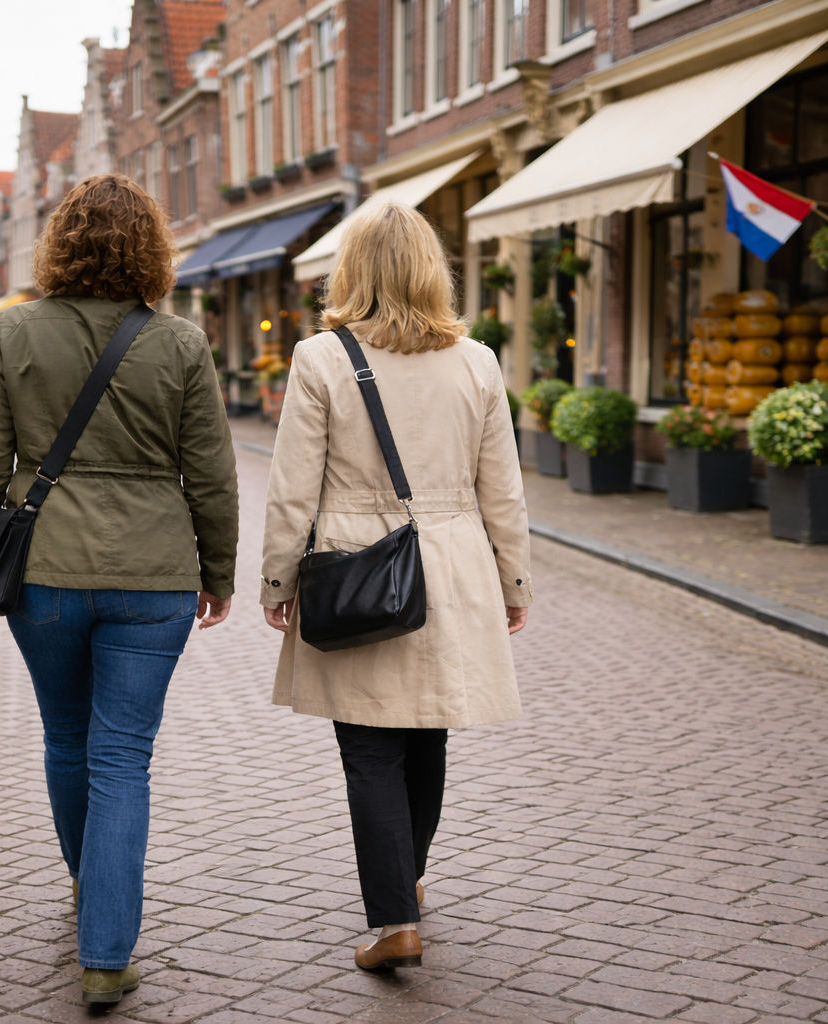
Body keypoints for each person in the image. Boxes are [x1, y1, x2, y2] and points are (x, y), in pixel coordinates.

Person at [0, 174, 238, 1005]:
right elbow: (213, 476)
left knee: (67, 739)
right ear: (152, 249)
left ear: (59, 245)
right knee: (125, 756)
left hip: (42, 567)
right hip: (152, 578)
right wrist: (216, 573)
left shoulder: (13, 334)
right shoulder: (180, 344)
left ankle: (93, 889)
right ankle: (106, 951)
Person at [258, 200, 531, 972]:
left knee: (369, 746)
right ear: (430, 271)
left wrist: (279, 577)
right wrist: (514, 579)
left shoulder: (321, 359)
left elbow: (292, 488)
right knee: (428, 732)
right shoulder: (477, 360)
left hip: (357, 563)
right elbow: (502, 488)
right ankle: (405, 881)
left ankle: (392, 922)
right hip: (450, 563)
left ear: (351, 271)